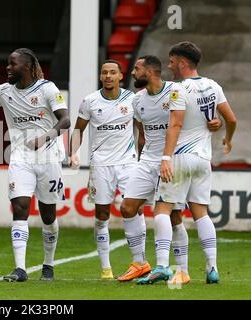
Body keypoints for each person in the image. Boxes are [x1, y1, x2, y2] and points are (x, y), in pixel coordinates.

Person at [0, 48, 70, 282]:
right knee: (20, 207)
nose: (8, 68)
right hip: (20, 158)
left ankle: (48, 265)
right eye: (7, 64)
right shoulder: (3, 91)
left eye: (13, 64)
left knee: (48, 215)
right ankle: (20, 269)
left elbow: (65, 120)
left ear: (28, 67)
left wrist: (44, 137)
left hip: (49, 159)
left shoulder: (47, 88)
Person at [137, 41, 237, 285]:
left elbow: (175, 124)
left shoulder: (178, 90)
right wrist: (227, 137)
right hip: (203, 159)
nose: (169, 66)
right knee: (201, 213)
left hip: (181, 157)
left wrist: (166, 158)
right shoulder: (213, 85)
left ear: (182, 63)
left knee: (161, 209)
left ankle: (161, 265)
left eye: (172, 62)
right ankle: (212, 268)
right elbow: (231, 119)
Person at [118, 55, 222, 284]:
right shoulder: (137, 100)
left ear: (151, 72)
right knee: (127, 207)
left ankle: (181, 271)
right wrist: (139, 157)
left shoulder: (176, 90)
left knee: (173, 215)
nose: (133, 73)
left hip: (173, 158)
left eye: (137, 68)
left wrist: (215, 123)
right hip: (147, 160)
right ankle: (140, 263)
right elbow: (142, 133)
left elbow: (198, 117)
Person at [69, 60, 137, 280]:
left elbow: (144, 130)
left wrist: (145, 157)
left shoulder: (132, 100)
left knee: (133, 209)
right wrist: (73, 152)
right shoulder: (90, 101)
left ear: (120, 77)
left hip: (128, 162)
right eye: (104, 73)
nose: (108, 76)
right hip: (101, 164)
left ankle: (139, 261)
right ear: (101, 77)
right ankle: (106, 267)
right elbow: (78, 129)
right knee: (102, 215)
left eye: (112, 73)